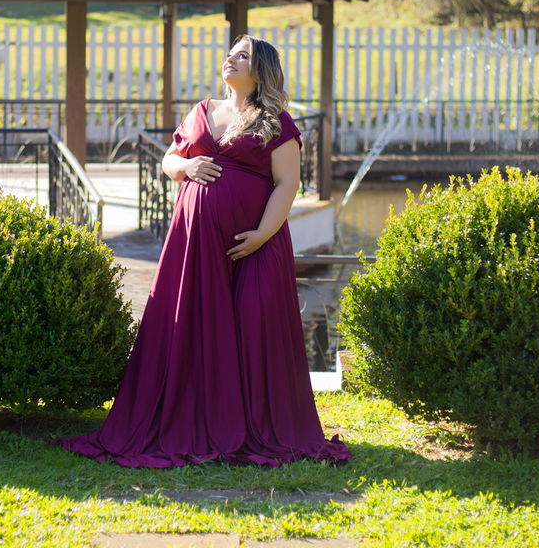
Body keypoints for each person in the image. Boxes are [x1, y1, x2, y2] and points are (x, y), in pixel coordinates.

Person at [55, 35, 349, 467]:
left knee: (253, 328)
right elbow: (168, 161)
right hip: (194, 245)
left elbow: (287, 184)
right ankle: (192, 416)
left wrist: (261, 235)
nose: (231, 58)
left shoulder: (275, 120)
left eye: (243, 54)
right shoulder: (204, 110)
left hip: (255, 246)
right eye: (231, 51)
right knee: (191, 325)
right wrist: (189, 166)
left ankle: (253, 424)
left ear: (261, 69)